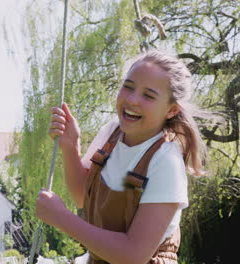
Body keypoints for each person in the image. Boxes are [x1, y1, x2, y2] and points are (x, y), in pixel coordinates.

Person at [36, 49, 209, 264]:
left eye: (148, 95)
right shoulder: (111, 133)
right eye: (128, 87)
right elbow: (83, 197)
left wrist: (62, 218)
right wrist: (71, 147)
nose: (132, 100)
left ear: (171, 110)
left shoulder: (166, 162)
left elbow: (133, 255)